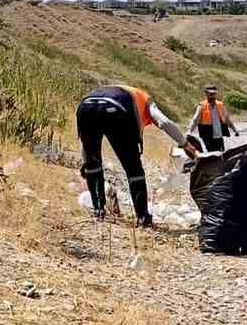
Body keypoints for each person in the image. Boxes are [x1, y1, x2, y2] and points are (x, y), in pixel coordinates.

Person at [77, 84, 198, 227]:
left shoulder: (110, 90)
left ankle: (98, 211)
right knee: (134, 171)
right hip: (117, 110)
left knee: (93, 164)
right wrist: (186, 145)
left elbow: (85, 146)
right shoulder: (146, 99)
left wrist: (86, 163)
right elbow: (164, 122)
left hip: (85, 107)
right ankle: (143, 218)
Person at [187, 86, 238, 154]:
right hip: (207, 133)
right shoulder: (202, 106)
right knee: (212, 153)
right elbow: (195, 120)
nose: (212, 96)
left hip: (218, 134)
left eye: (213, 94)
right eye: (210, 94)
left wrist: (234, 130)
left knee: (221, 152)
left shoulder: (220, 105)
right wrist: (189, 131)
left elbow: (227, 120)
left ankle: (220, 164)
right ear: (206, 94)